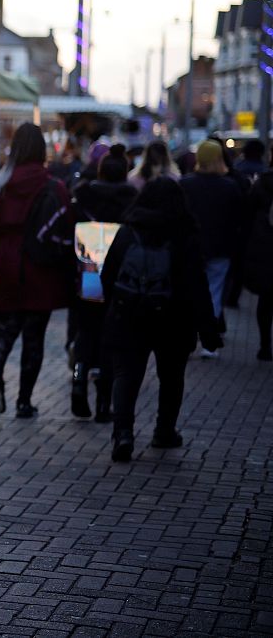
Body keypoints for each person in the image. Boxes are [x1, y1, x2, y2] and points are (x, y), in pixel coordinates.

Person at [100, 177, 221, 462]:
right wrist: (208, 328)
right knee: (171, 376)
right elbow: (197, 284)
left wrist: (115, 305)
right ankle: (164, 430)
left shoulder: (129, 230)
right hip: (173, 317)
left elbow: (108, 274)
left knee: (126, 375)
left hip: (129, 313)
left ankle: (123, 433)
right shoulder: (185, 234)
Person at [0, 123, 73, 418]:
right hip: (39, 268)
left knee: (5, 327)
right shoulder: (51, 186)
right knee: (34, 337)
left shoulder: (1, 185)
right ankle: (24, 400)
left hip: (8, 263)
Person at [69, 144, 137, 422]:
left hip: (89, 268)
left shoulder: (83, 195)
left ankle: (79, 378)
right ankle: (102, 402)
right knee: (112, 337)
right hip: (119, 275)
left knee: (86, 330)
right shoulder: (131, 198)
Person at [179, 139, 243, 357]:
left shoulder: (185, 184)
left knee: (187, 292)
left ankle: (186, 339)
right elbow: (237, 220)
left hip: (190, 247)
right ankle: (209, 343)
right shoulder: (230, 187)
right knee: (213, 293)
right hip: (220, 247)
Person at [243, 157, 273, 361]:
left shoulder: (263, 182)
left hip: (266, 246)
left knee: (266, 298)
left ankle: (265, 345)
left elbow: (247, 212)